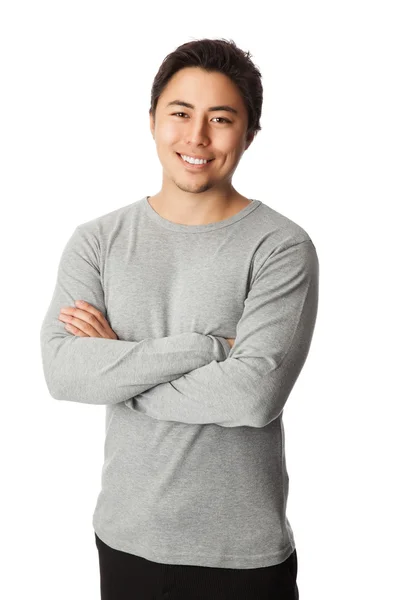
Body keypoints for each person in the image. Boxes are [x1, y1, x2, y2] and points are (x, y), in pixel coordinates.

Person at [40, 37, 319, 599]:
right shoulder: (97, 241)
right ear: (152, 121)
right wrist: (209, 348)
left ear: (249, 133)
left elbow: (252, 397)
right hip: (125, 537)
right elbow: (64, 374)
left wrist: (119, 368)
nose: (196, 137)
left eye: (220, 118)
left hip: (242, 554)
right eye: (180, 113)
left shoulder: (280, 247)